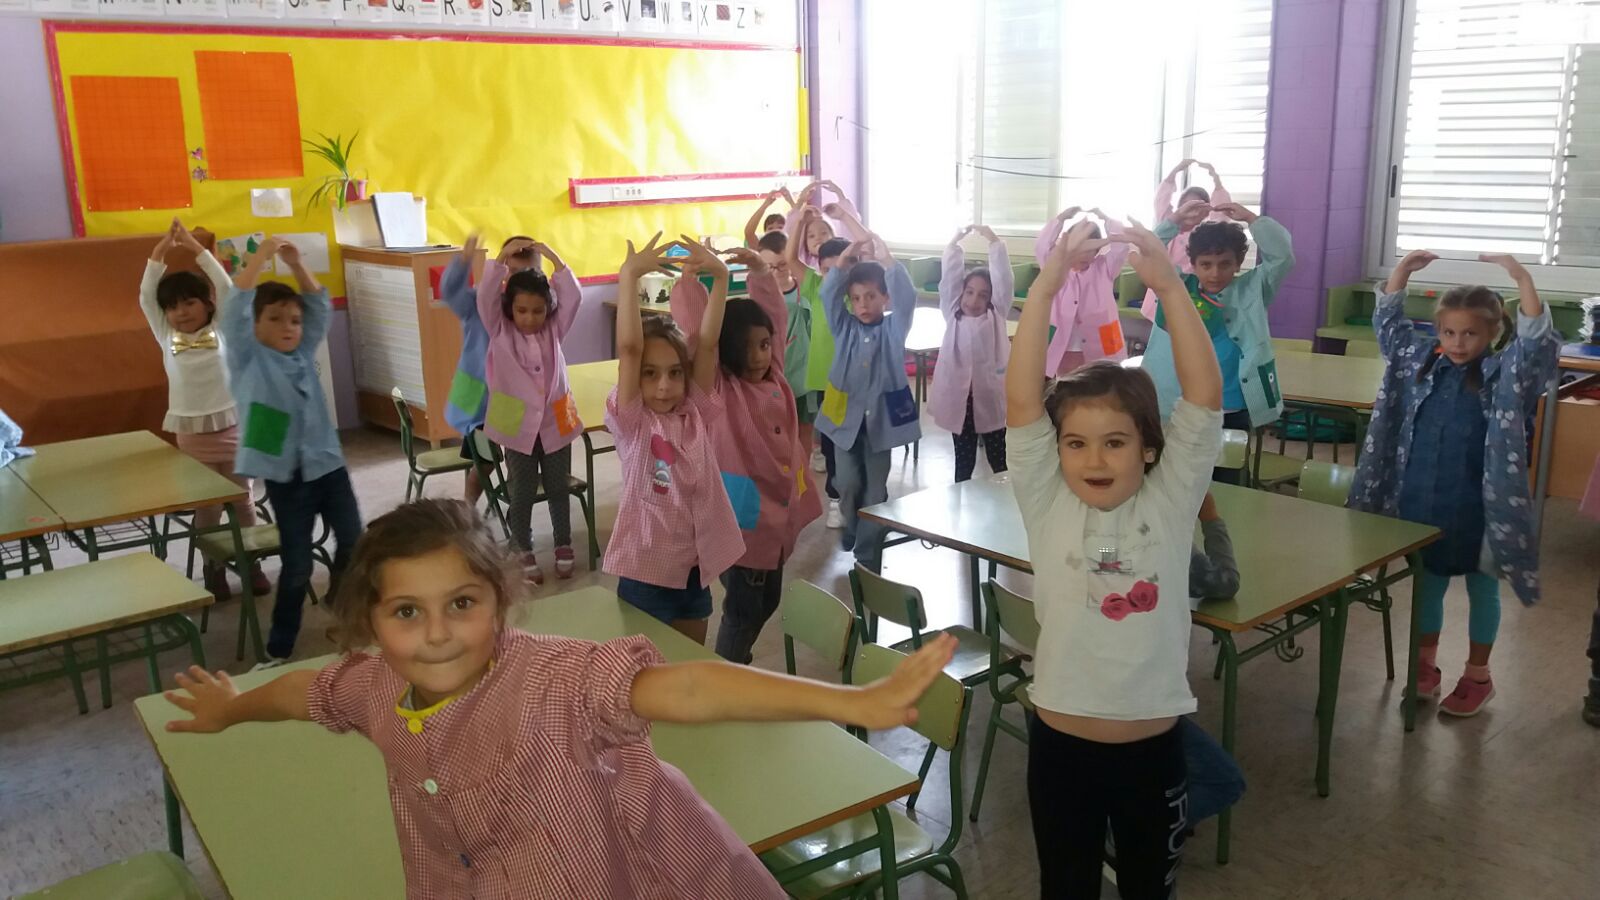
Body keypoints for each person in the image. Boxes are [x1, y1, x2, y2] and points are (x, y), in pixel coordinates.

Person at [161, 498, 958, 899]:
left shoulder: (554, 680)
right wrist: (232, 708)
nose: (436, 634)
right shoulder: (373, 687)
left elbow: (685, 684)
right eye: (406, 612)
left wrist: (849, 702)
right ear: (371, 622)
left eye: (461, 604)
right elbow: (306, 692)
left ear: (500, 603)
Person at [1007, 218, 1223, 898]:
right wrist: (1047, 284)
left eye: (1115, 442)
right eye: (1075, 443)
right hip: (1060, 748)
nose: (1094, 460)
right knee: (1065, 888)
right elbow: (1021, 398)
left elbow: (1204, 397)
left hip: (1152, 753)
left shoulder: (1171, 499)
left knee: (1146, 891)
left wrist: (1170, 288)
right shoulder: (1049, 500)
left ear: (1149, 449)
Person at [1348, 250, 1559, 716]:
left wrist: (1522, 278)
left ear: (1494, 333)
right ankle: (1425, 668)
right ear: (1438, 331)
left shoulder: (1504, 374)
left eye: (1470, 333)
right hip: (1424, 501)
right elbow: (1390, 328)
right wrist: (1401, 272)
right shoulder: (1421, 362)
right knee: (1429, 585)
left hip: (1483, 508)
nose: (1458, 343)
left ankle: (1478, 676)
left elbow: (1535, 345)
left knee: (1483, 589)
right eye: (1448, 332)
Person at [670, 248, 822, 663]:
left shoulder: (774, 374)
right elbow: (699, 337)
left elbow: (775, 316)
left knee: (766, 600)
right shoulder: (719, 388)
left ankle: (736, 657)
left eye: (764, 345)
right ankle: (729, 667)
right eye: (746, 348)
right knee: (742, 611)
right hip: (741, 524)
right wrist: (691, 283)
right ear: (725, 352)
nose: (757, 356)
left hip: (775, 516)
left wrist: (758, 269)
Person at [224, 238, 363, 667]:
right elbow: (233, 308)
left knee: (355, 543)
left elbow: (318, 307)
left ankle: (340, 601)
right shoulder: (248, 357)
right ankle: (279, 647)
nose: (289, 327)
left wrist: (297, 264)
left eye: (294, 321)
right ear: (254, 325)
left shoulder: (301, 352)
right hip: (288, 477)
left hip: (328, 466)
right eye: (275, 319)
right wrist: (261, 258)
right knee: (298, 565)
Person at [605, 234, 743, 643]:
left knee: (689, 666)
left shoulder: (694, 410)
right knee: (645, 671)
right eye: (650, 374)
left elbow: (708, 342)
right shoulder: (634, 420)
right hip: (645, 574)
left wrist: (721, 277)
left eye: (674, 373)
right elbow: (630, 348)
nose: (664, 385)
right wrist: (629, 276)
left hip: (693, 573)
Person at [139, 218, 266, 599]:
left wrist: (195, 248)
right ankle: (214, 569)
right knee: (208, 507)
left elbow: (225, 287)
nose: (181, 312)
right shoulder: (166, 334)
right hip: (192, 433)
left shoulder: (222, 327)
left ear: (207, 304)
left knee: (242, 500)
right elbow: (146, 296)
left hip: (232, 425)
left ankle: (252, 563)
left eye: (189, 302)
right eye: (173, 307)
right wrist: (161, 250)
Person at [1144, 200, 1295, 485]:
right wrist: (1174, 221)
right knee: (1175, 480)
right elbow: (1147, 252)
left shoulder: (1253, 289)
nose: (1215, 273)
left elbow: (1282, 256)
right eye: (1206, 264)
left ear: (1238, 263)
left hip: (1230, 407)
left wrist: (1252, 219)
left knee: (1226, 480)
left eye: (1225, 264)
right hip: (1178, 405)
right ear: (1193, 263)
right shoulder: (1175, 287)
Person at [477, 237, 584, 584]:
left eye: (538, 311)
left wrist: (553, 257)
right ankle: (521, 547)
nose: (530, 318)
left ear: (548, 309)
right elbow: (485, 296)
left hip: (555, 420)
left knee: (558, 487)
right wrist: (501, 259)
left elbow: (574, 298)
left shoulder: (554, 328)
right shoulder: (499, 328)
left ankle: (563, 543)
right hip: (515, 421)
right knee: (521, 491)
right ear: (510, 308)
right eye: (522, 310)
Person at [815, 233, 921, 574]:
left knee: (875, 491)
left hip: (881, 425)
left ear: (884, 298)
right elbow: (828, 295)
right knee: (846, 483)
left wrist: (888, 261)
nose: (863, 304)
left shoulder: (894, 329)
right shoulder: (843, 326)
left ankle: (866, 551)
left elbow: (907, 298)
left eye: (871, 296)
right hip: (843, 421)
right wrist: (844, 261)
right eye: (856, 298)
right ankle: (852, 522)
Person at [439, 234, 538, 506]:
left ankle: (515, 511)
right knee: (485, 461)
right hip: (479, 399)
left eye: (528, 273)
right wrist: (464, 260)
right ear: (502, 271)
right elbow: (450, 291)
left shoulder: (534, 310)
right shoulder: (479, 301)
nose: (520, 280)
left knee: (521, 457)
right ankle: (467, 508)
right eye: (513, 271)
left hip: (512, 399)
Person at [929, 225, 1013, 482]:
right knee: (963, 461)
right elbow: (949, 279)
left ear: (991, 299)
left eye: (982, 295)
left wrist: (994, 242)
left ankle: (1004, 498)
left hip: (989, 397)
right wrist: (954, 243)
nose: (974, 301)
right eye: (969, 292)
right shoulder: (953, 312)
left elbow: (1003, 280)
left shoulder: (995, 315)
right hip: (961, 401)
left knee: (999, 459)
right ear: (961, 292)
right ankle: (961, 498)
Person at [1035, 207, 1132, 375]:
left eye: (1090, 250)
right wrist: (1060, 219)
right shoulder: (1056, 267)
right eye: (1080, 249)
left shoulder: (1105, 267)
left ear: (1097, 250)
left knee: (1103, 380)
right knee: (1067, 382)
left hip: (1102, 339)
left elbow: (1121, 246)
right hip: (1066, 341)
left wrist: (1106, 219)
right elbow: (1042, 247)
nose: (1084, 255)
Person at [1142, 159, 1232, 320]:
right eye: (1186, 206)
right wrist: (1176, 170)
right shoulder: (1169, 227)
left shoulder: (1206, 234)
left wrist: (1215, 178)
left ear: (1206, 210)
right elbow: (1161, 200)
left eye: (1197, 206)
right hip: (1161, 296)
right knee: (1162, 330)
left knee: (1189, 329)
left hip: (1193, 296)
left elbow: (1221, 213)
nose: (1191, 211)